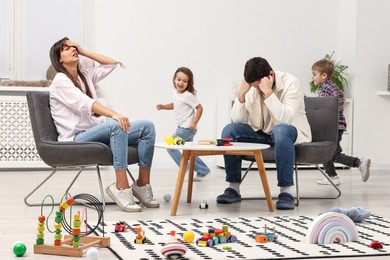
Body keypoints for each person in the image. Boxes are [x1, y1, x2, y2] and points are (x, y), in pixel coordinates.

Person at [49, 37, 159, 212]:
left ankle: (142, 184)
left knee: (147, 127)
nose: (72, 49)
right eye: (66, 48)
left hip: (95, 132)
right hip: (76, 138)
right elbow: (86, 102)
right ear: (59, 58)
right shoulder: (61, 81)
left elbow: (111, 64)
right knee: (116, 124)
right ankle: (121, 187)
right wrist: (114, 114)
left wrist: (83, 51)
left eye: (73, 46)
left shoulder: (85, 75)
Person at [216, 57, 312, 210]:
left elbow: (285, 119)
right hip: (262, 134)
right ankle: (233, 188)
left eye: (258, 86)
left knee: (280, 130)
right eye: (253, 87)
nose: (256, 90)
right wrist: (241, 95)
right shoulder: (252, 87)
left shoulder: (291, 83)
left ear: (270, 75)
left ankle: (286, 192)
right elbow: (238, 119)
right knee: (229, 130)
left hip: (289, 132)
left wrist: (268, 92)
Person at [311, 59, 371, 186]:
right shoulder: (327, 87)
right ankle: (332, 176)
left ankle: (359, 163)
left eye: (314, 74)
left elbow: (329, 107)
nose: (313, 77)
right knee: (325, 151)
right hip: (332, 126)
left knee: (332, 154)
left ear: (324, 75)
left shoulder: (328, 88)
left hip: (333, 126)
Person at [156, 67, 210, 180]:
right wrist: (163, 107)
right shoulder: (176, 94)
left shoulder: (188, 96)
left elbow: (200, 108)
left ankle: (184, 168)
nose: (181, 83)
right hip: (183, 128)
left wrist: (194, 123)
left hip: (186, 128)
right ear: (174, 80)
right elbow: (175, 105)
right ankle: (203, 171)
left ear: (188, 83)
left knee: (170, 146)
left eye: (185, 81)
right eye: (179, 79)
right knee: (189, 151)